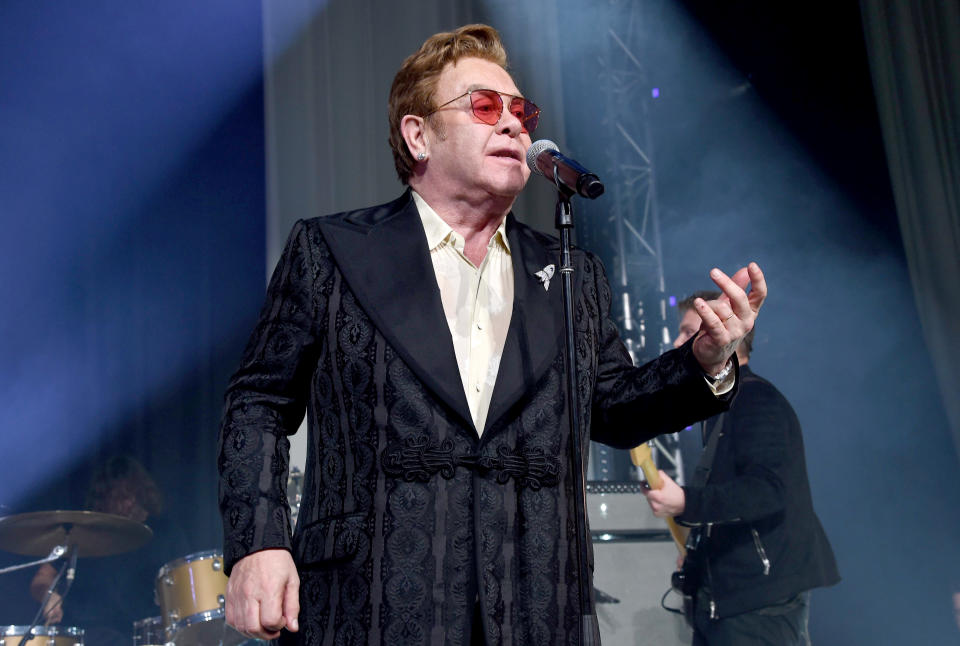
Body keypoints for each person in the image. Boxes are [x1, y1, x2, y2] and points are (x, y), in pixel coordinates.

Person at [218, 24, 766, 645]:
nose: (513, 124)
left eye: (520, 110)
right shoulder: (332, 250)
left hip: (534, 602)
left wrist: (706, 361)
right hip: (370, 603)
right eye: (484, 106)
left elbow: (614, 408)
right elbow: (257, 403)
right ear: (418, 135)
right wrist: (259, 542)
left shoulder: (571, 274)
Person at [642, 292, 839, 645]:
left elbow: (767, 491)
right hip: (727, 600)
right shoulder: (722, 403)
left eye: (688, 333)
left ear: (726, 335)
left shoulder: (757, 400)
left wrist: (686, 503)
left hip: (758, 603)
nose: (676, 343)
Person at [29, 456, 188, 646]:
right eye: (118, 497)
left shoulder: (166, 533)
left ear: (144, 495)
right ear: (102, 500)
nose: (127, 504)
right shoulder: (82, 534)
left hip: (144, 637)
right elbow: (42, 578)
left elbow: (185, 589)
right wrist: (49, 596)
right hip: (86, 636)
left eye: (132, 495)